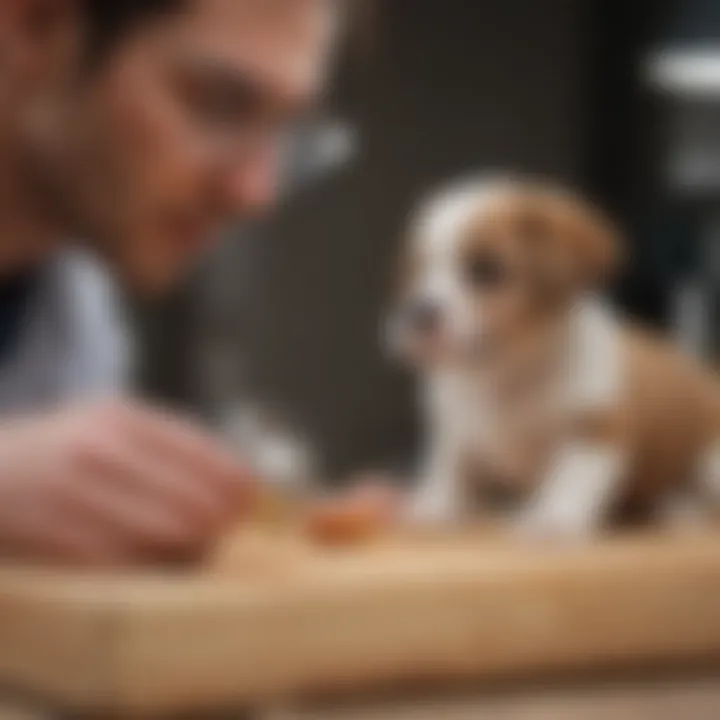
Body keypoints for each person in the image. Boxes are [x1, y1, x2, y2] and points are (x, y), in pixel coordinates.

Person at [0, 0, 340, 565]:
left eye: (287, 130)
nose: (255, 192)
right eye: (221, 104)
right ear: (36, 26)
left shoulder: (77, 316)